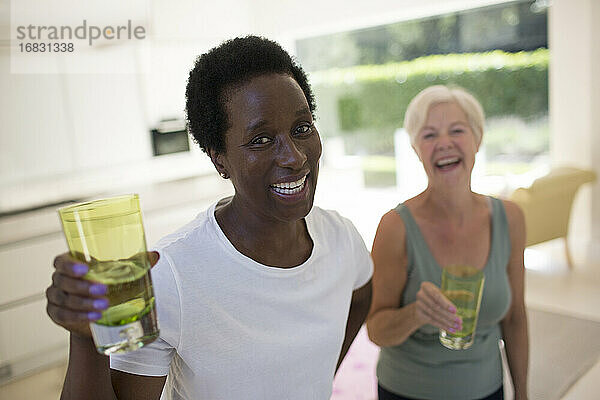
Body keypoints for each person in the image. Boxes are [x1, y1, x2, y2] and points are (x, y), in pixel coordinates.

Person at [46, 35, 373, 400]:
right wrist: (84, 338)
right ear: (219, 159)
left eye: (302, 129)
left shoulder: (342, 238)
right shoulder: (171, 274)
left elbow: (361, 295)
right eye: (261, 140)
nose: (294, 157)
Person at [366, 85, 529, 400]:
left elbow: (515, 317)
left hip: (488, 389)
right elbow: (376, 330)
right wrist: (418, 313)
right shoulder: (395, 227)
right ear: (416, 149)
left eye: (457, 130)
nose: (444, 143)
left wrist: (522, 392)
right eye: (429, 135)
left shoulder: (510, 218)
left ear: (477, 139)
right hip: (406, 391)